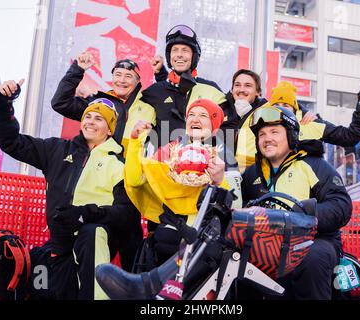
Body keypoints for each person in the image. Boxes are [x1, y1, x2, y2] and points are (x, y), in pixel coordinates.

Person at [0, 80, 143, 300]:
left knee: (92, 232)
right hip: (59, 242)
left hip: (94, 243)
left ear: (109, 129)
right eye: (88, 116)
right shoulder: (58, 150)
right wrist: (5, 108)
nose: (90, 122)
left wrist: (85, 214)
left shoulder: (119, 165)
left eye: (99, 119)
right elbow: (12, 143)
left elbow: (126, 214)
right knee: (49, 283)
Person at [241, 104, 352, 299]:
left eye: (275, 132)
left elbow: (341, 205)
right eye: (262, 134)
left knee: (310, 258)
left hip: (314, 239)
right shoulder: (251, 174)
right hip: (267, 244)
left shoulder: (314, 165)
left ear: (291, 136)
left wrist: (304, 214)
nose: (267, 139)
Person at [124, 98, 232, 269]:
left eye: (203, 115)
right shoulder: (170, 151)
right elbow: (135, 180)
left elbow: (232, 205)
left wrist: (219, 180)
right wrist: (135, 141)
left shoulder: (224, 157)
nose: (195, 119)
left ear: (214, 127)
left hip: (202, 240)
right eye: (191, 115)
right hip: (168, 232)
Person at [234, 80, 360, 172]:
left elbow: (349, 137)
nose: (280, 108)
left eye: (286, 105)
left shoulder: (310, 124)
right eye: (276, 105)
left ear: (295, 108)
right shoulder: (260, 126)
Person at [139, 25, 228, 148]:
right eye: (175, 50)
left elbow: (228, 129)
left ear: (194, 56)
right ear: (169, 56)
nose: (179, 55)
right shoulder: (156, 90)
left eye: (185, 50)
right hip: (159, 164)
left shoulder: (211, 89)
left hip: (198, 163)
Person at [51, 52, 154, 157]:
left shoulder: (150, 109)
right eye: (118, 75)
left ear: (137, 82)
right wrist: (77, 69)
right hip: (97, 169)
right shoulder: (98, 103)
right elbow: (61, 103)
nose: (122, 80)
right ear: (112, 78)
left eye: (128, 76)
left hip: (131, 171)